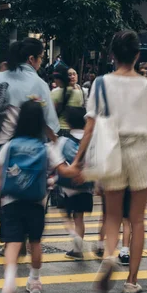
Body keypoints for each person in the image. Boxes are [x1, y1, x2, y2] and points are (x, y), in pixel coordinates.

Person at [73, 30, 147, 293]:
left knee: (112, 216)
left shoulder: (100, 83)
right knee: (137, 220)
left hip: (112, 150)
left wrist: (78, 161)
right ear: (137, 55)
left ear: (112, 55)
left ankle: (109, 255)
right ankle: (132, 280)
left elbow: (89, 127)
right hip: (142, 151)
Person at [0, 100, 78, 293]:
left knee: (12, 243)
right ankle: (34, 280)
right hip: (36, 202)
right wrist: (78, 169)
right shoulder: (46, 148)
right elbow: (64, 170)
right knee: (35, 242)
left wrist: (1, 198)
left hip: (11, 201)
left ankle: (9, 283)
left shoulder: (9, 145)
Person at [0, 37, 60, 211]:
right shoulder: (39, 84)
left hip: (0, 149)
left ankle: (8, 234)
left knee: (4, 197)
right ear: (31, 59)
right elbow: (50, 124)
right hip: (31, 150)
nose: (41, 62)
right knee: (30, 198)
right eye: (41, 57)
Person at [57, 107, 94, 260]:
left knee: (64, 213)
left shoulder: (63, 141)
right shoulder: (91, 141)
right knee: (79, 217)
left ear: (68, 123)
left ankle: (75, 238)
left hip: (67, 186)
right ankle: (78, 249)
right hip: (86, 185)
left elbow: (57, 161)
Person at [51, 65, 88, 136]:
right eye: (69, 75)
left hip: (60, 129)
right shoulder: (81, 92)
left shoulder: (55, 92)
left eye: (74, 74)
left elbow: (52, 113)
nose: (72, 77)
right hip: (76, 131)